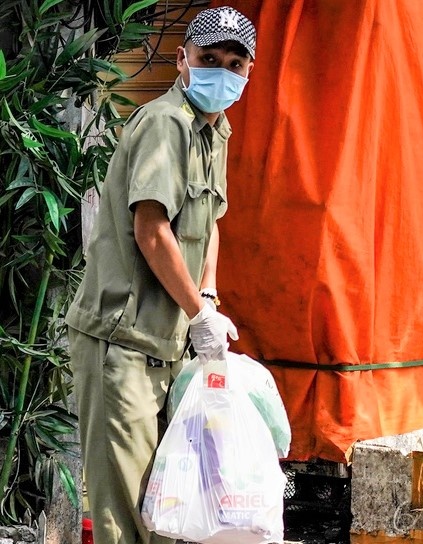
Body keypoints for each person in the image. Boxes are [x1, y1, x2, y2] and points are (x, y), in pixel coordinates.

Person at [65, 6, 256, 544]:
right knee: (125, 519)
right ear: (182, 60)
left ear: (248, 73)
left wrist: (209, 297)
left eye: (234, 63)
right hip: (120, 342)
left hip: (165, 345)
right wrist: (198, 314)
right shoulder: (165, 123)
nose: (221, 70)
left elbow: (211, 221)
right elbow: (152, 230)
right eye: (209, 58)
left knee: (165, 510)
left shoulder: (214, 130)